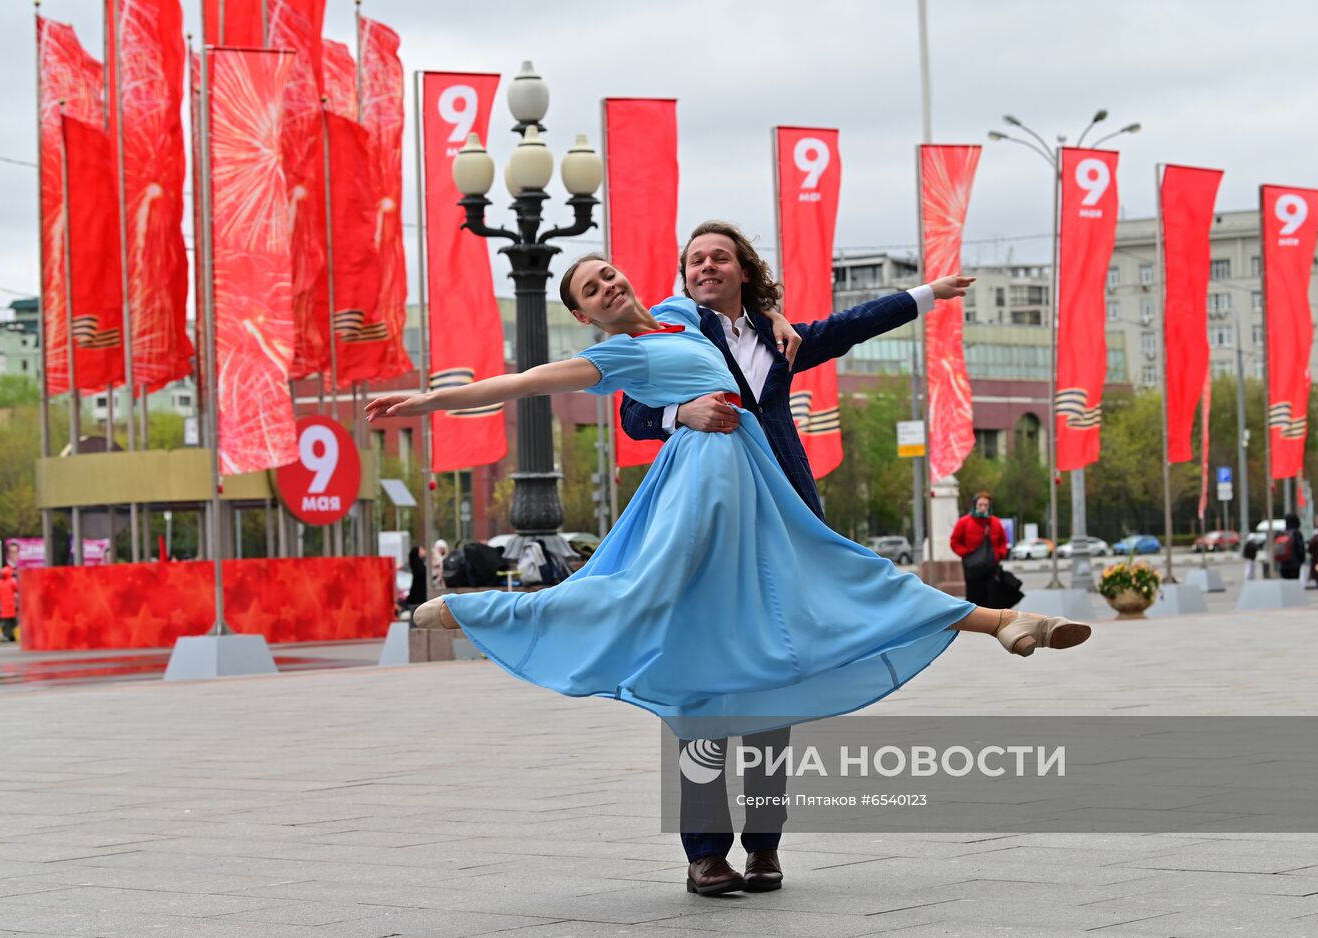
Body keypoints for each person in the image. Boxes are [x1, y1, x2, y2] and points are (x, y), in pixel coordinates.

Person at [365, 255, 1092, 897]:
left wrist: (914, 294)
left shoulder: (690, 314)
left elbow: (842, 323)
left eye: (608, 271)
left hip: (764, 496)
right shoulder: (619, 355)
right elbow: (532, 384)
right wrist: (432, 400)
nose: (609, 284)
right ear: (585, 314)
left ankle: (1002, 623)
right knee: (649, 608)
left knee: (847, 587)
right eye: (592, 287)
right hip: (703, 486)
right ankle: (490, 613)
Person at [617, 221, 954, 889]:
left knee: (778, 685)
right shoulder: (673, 333)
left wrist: (926, 294)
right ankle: (705, 854)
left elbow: (848, 326)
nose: (706, 266)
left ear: (744, 269)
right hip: (707, 531)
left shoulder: (779, 337)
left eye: (719, 257)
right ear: (685, 276)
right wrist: (678, 414)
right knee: (704, 689)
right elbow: (631, 415)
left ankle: (764, 846)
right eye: (695, 260)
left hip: (785, 521)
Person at [950, 491, 1010, 606]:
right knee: (974, 598)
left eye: (986, 505)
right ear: (975, 505)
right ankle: (975, 623)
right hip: (972, 567)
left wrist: (999, 554)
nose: (983, 508)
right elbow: (954, 541)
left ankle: (991, 623)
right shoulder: (964, 522)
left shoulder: (995, 522)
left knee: (992, 597)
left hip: (991, 566)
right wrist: (966, 553)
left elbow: (1003, 541)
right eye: (980, 505)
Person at [1276, 513, 1306, 580]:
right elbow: (1301, 549)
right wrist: (1302, 560)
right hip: (1294, 565)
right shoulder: (1296, 533)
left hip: (1283, 564)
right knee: (1294, 585)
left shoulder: (1281, 533)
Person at [0, 565, 18, 643]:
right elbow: (17, 589)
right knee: (15, 623)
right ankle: (19, 638)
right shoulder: (12, 582)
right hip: (11, 606)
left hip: (3, 607)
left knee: (2, 623)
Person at [407, 545, 428, 611]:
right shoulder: (417, 562)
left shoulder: (416, 561)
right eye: (421, 549)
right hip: (418, 594)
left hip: (416, 593)